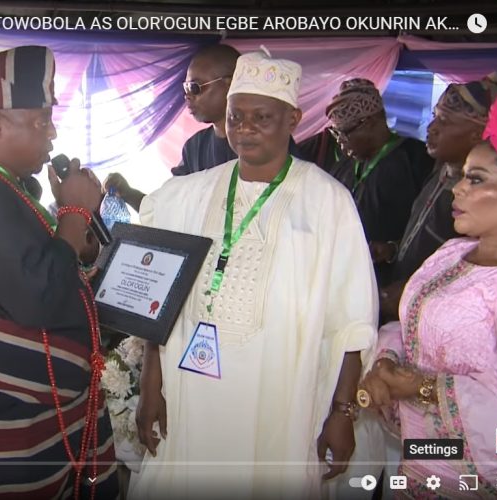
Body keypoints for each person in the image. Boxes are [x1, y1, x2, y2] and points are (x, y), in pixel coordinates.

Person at [129, 50, 378, 499]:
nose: (244, 128)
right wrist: (151, 385)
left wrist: (342, 413)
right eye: (235, 116)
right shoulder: (185, 196)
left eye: (261, 117)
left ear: (293, 118)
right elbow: (158, 298)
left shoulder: (328, 203)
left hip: (279, 393)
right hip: (192, 394)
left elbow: (352, 322)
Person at [0, 45, 118, 499]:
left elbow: (42, 265)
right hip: (13, 417)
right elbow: (40, 295)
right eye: (41, 121)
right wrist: (71, 212)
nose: (52, 134)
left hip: (38, 409)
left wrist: (75, 233)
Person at [359, 92, 497, 496]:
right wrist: (387, 359)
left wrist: (420, 387)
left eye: (477, 179)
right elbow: (414, 325)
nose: (457, 190)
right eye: (464, 175)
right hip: (420, 464)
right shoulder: (453, 253)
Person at [379, 70, 497, 321]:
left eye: (444, 121)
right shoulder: (440, 175)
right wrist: (392, 250)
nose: (431, 128)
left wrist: (410, 298)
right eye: (434, 117)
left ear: (478, 135)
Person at [105, 44, 241, 212]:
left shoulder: (263, 144)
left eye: (195, 87)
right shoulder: (194, 147)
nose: (188, 96)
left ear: (229, 85)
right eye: (186, 88)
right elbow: (168, 209)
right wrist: (128, 193)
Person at [326, 79, 434, 287]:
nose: (340, 141)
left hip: (393, 282)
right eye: (335, 134)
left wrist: (393, 248)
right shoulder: (345, 166)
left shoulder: (417, 159)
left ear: (371, 122)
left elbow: (428, 227)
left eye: (345, 133)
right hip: (344, 277)